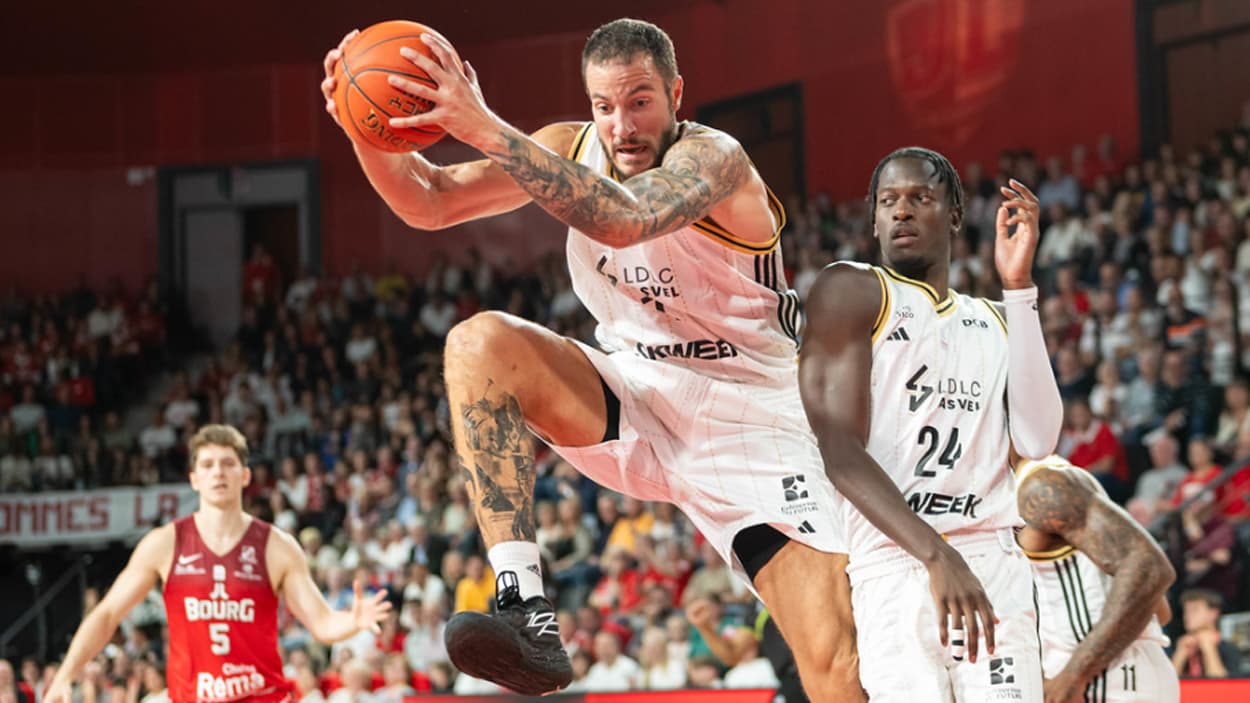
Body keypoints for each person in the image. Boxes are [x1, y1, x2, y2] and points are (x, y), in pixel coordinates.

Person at [322, 17, 886, 700]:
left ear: (676, 94)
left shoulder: (716, 160)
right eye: (604, 105)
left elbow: (622, 218)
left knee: (835, 664)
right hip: (637, 388)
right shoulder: (570, 147)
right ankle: (525, 609)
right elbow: (430, 201)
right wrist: (364, 126)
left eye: (640, 101)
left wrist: (485, 127)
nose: (622, 125)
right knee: (478, 344)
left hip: (754, 415)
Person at [798, 148, 1064, 702]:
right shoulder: (850, 290)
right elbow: (838, 451)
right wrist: (936, 555)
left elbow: (1039, 440)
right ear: (873, 219)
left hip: (991, 559)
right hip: (896, 561)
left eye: (921, 197)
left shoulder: (995, 320)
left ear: (955, 215)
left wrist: (1019, 287)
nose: (902, 211)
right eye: (888, 201)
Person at [43, 425, 391, 703]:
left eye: (228, 463)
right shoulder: (164, 543)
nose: (218, 473)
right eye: (207, 465)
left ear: (245, 475)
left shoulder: (277, 546)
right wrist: (65, 673)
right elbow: (106, 615)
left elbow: (323, 623)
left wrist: (353, 620)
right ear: (194, 478)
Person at [1015, 454, 1178, 703]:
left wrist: (1074, 675)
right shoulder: (1057, 482)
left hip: (1104, 677)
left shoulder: (1043, 486)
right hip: (1095, 670)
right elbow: (1160, 609)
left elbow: (1149, 569)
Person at [1170, 589, 1242, 678]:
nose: (1187, 615)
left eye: (1194, 610)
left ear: (1213, 613)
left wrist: (1209, 649)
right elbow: (1166, 682)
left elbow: (1222, 683)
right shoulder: (1182, 645)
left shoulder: (1228, 648)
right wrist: (1180, 655)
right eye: (1185, 611)